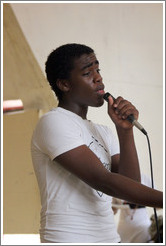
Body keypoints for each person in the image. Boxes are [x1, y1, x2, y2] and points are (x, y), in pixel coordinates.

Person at [31, 43, 163, 243]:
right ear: (64, 84)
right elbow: (104, 181)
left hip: (108, 239)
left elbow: (130, 185)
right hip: (69, 239)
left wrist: (124, 131)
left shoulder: (103, 131)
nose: (98, 78)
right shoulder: (54, 122)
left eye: (98, 70)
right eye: (87, 73)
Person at [112, 173, 153, 243]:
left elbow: (158, 206)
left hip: (142, 227)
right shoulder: (117, 179)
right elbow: (113, 210)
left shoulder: (145, 179)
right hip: (124, 228)